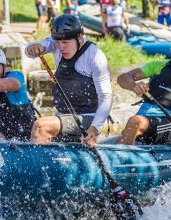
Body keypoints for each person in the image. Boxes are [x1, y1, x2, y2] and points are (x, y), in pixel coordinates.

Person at [25, 14, 112, 147]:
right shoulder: (57, 43)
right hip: (65, 116)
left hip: (91, 118)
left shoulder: (95, 56)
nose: (61, 47)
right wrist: (34, 47)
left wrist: (95, 128)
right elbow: (32, 49)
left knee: (41, 126)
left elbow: (106, 97)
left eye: (65, 42)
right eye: (58, 42)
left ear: (80, 37)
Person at [116, 34, 171, 145]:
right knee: (134, 123)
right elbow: (122, 78)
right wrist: (134, 86)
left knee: (135, 121)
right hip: (144, 122)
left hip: (168, 125)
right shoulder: (159, 66)